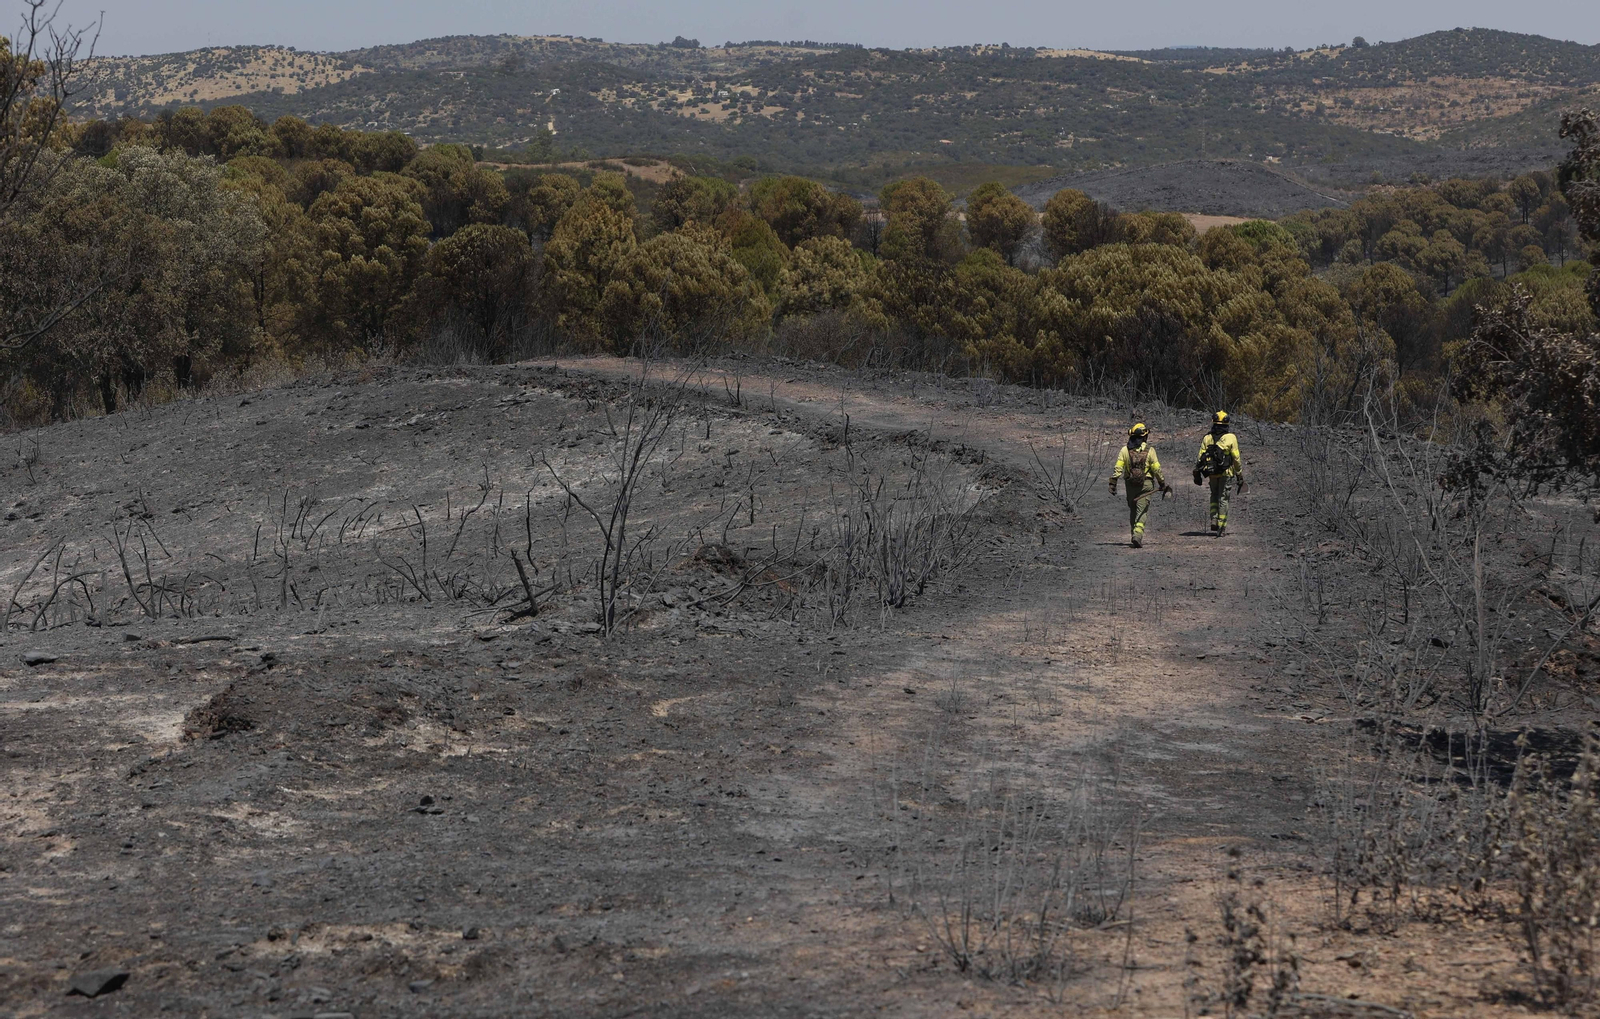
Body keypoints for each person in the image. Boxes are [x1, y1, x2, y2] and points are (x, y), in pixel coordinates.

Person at [1109, 423, 1171, 548]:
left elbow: (1118, 468)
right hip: (1146, 485)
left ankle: (1134, 533)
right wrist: (1162, 483)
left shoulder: (1124, 450)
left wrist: (1113, 483)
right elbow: (1156, 469)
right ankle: (1137, 534)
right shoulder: (1150, 450)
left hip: (1130, 484)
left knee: (1133, 509)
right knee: (1142, 510)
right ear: (1144, 437)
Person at [1193, 410, 1245, 536]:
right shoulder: (1231, 438)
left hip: (1212, 474)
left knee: (1214, 495)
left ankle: (1214, 520)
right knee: (1223, 498)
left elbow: (1200, 458)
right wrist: (1239, 475)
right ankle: (1221, 527)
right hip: (1226, 473)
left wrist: (1197, 474)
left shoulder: (1207, 438)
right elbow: (1236, 458)